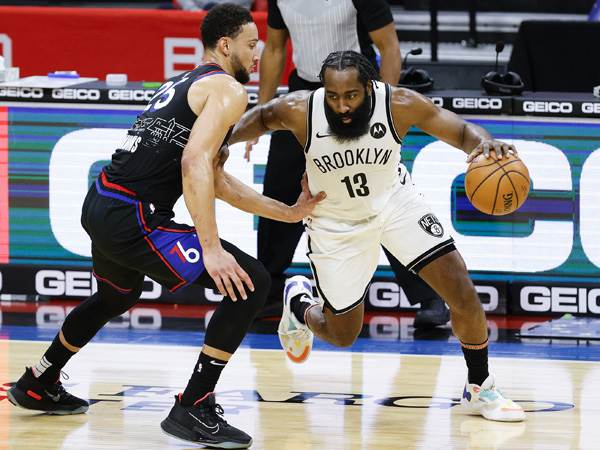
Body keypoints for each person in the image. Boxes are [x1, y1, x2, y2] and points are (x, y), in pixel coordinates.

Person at [7, 5, 324, 449]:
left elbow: (211, 177)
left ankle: (38, 380)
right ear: (225, 45)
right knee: (252, 282)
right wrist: (211, 250)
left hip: (102, 201)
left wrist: (287, 212)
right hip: (133, 214)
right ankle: (194, 405)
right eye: (252, 45)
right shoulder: (229, 90)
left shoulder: (187, 81)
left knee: (118, 294)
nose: (260, 55)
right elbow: (193, 162)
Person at [230, 50, 525, 422]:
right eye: (333, 96)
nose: (342, 106)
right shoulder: (301, 109)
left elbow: (462, 130)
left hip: (395, 204)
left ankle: (479, 387)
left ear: (368, 88)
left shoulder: (399, 103)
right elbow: (262, 116)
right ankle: (299, 305)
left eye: (351, 95)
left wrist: (483, 143)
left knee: (460, 290)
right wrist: (225, 139)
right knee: (342, 335)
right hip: (337, 222)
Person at [250, 0, 450, 328]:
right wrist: (260, 112)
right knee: (280, 187)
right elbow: (274, 48)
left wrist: (382, 108)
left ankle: (428, 295)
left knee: (380, 197)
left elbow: (389, 46)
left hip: (357, 97)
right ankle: (270, 293)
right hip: (304, 94)